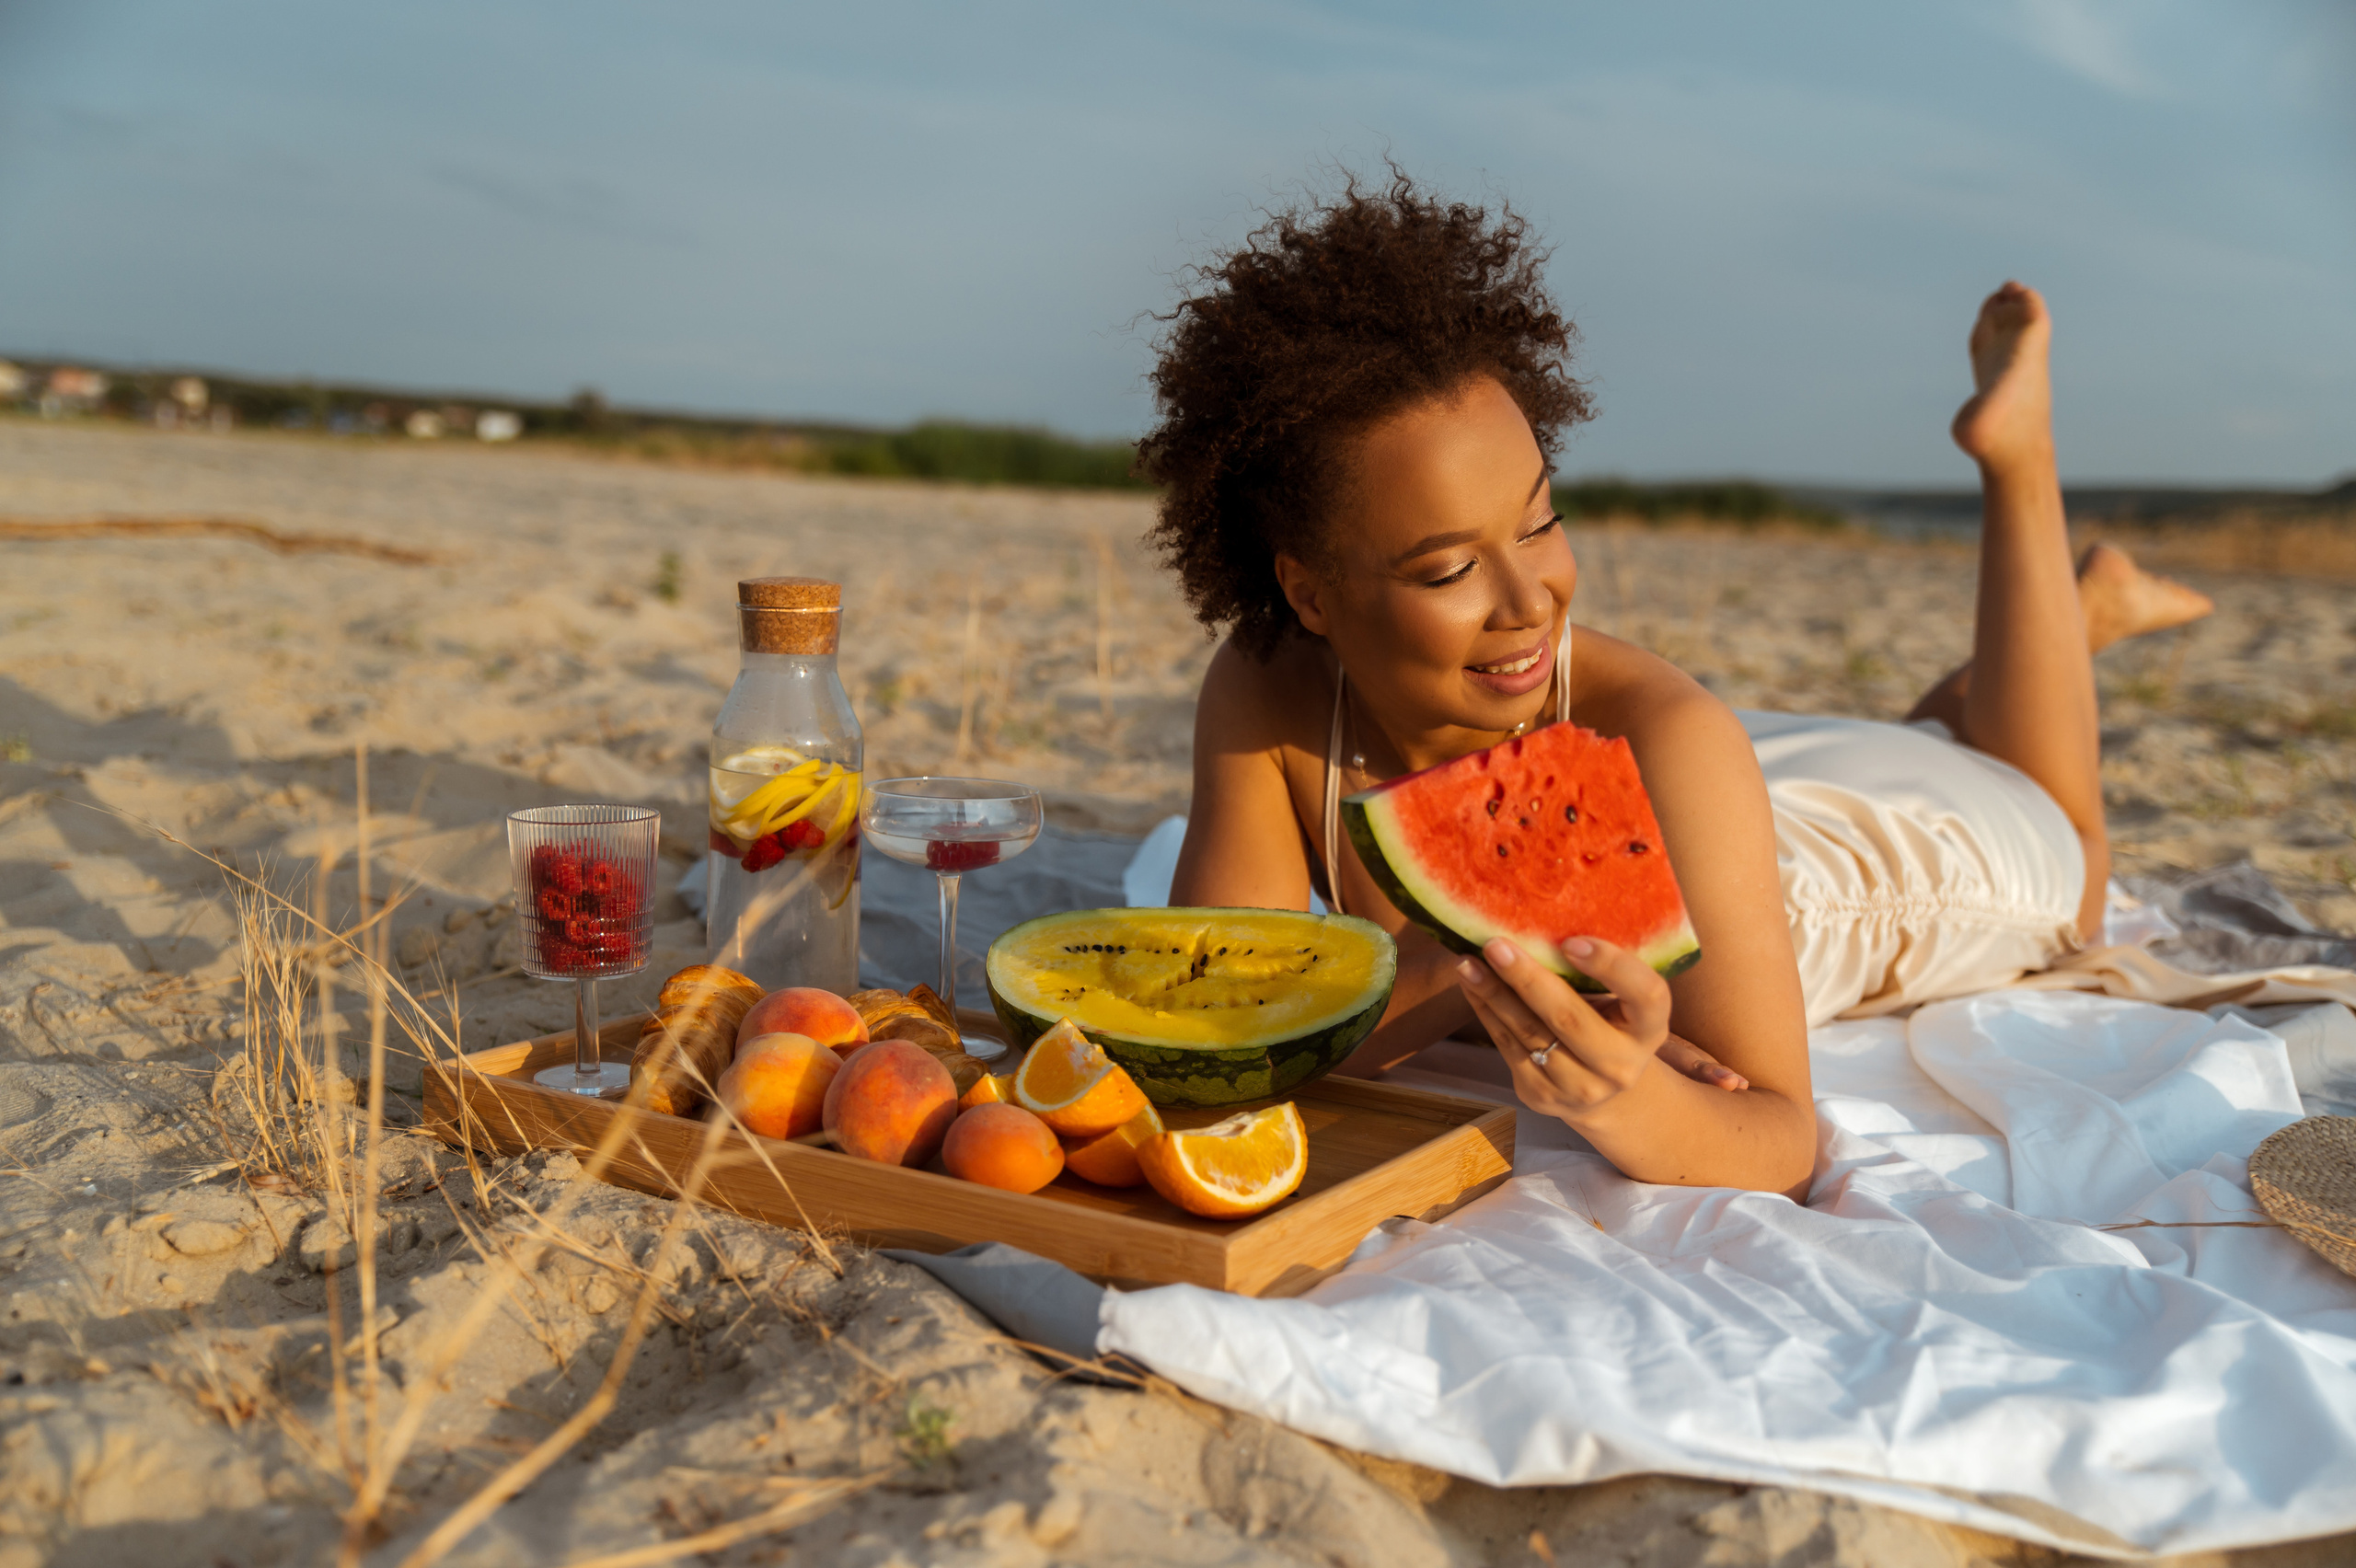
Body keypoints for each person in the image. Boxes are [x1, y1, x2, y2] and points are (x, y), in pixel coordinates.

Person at [1140, 175, 2212, 1195]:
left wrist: (1625, 1105)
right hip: (1711, 786)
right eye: (1448, 569)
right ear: (1310, 594)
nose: (1529, 599)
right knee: (1930, 747)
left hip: (1837, 874)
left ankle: (2017, 460)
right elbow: (1234, 1036)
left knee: (2067, 849)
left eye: (1540, 521)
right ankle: (2082, 617)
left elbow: (1779, 1139)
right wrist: (1474, 942)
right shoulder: (1263, 686)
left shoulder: (1666, 730)